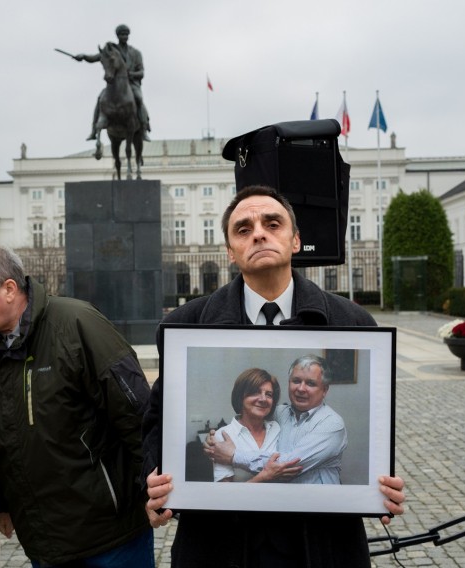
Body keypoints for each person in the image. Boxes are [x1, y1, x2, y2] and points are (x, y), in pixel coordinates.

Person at [143, 185, 406, 567]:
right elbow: (155, 421)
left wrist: (379, 487)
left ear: (295, 240)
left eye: (272, 223)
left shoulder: (352, 322)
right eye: (243, 228)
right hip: (220, 541)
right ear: (231, 252)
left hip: (317, 543)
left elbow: (290, 460)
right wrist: (150, 479)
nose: (259, 233)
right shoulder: (186, 324)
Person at [0, 243, 154, 567]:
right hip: (44, 541)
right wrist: (3, 502)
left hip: (111, 537)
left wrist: (152, 485)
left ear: (8, 289)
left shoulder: (77, 323)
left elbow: (136, 413)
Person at [207, 354, 348, 485]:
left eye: (310, 383)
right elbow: (249, 417)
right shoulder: (278, 413)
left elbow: (289, 464)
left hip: (318, 504)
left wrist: (233, 455)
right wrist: (212, 441)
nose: (301, 388)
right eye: (296, 381)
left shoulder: (332, 424)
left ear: (324, 390)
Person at [74, 23, 151, 141]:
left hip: (131, 85)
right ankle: (93, 130)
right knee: (100, 99)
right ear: (117, 36)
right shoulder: (111, 50)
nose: (124, 36)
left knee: (139, 98)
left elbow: (141, 73)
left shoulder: (136, 53)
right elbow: (94, 58)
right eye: (121, 34)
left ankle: (144, 128)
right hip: (114, 85)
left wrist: (131, 74)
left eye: (126, 34)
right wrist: (83, 56)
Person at [211, 368, 288, 482]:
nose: (263, 399)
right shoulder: (223, 435)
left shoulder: (276, 428)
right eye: (255, 392)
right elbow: (225, 494)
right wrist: (264, 477)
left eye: (269, 394)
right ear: (240, 397)